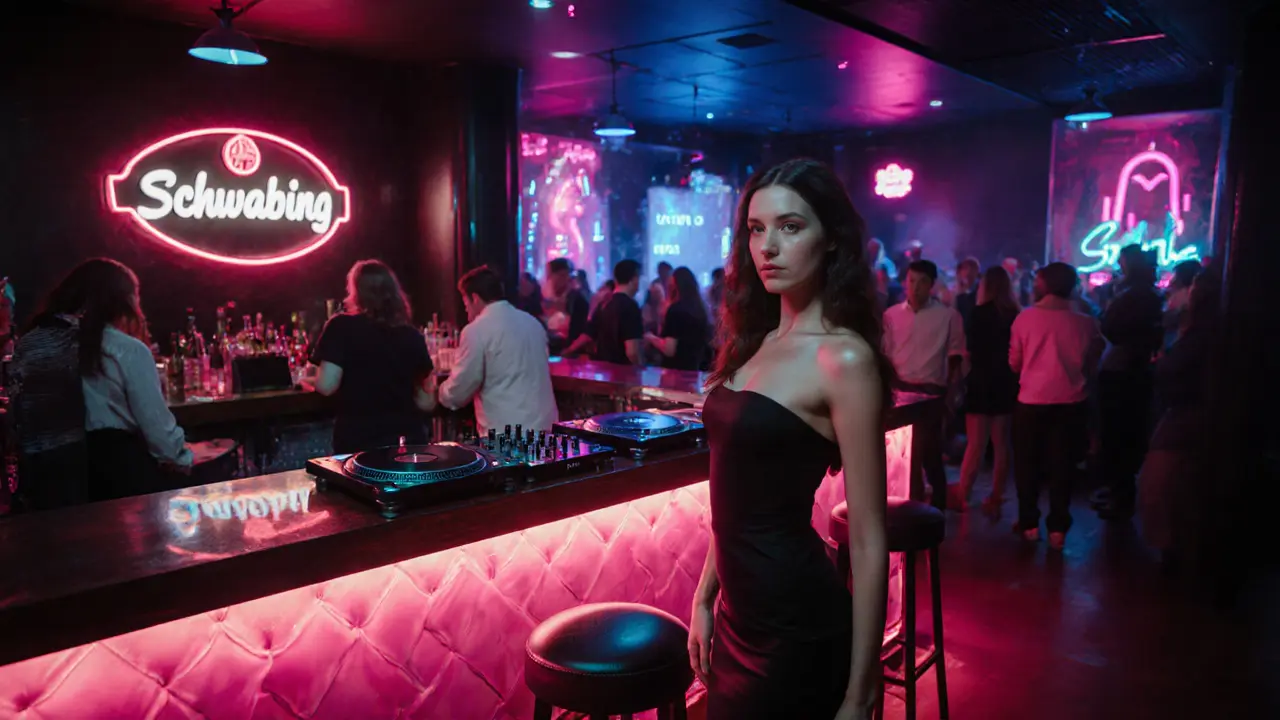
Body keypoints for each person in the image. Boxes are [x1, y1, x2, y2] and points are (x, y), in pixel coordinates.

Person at [689, 159, 890, 719]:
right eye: (756, 229)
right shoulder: (754, 341)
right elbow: (736, 500)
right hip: (738, 619)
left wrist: (862, 686)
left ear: (830, 240)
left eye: (790, 227)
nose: (767, 247)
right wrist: (705, 596)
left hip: (796, 627)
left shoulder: (843, 357)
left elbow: (870, 539)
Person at [12, 259, 192, 509]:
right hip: (116, 481)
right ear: (122, 300)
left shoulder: (29, 343)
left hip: (46, 484)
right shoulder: (125, 349)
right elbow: (161, 437)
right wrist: (186, 457)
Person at [1009, 262, 1102, 550]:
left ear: (1044, 285)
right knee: (1063, 467)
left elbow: (1015, 363)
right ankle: (1058, 529)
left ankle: (1029, 524)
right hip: (1071, 401)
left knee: (1027, 465)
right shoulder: (1086, 323)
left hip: (1031, 400)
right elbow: (1093, 359)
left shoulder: (1025, 319)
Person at [308, 260, 436, 453]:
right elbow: (426, 402)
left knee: (360, 482)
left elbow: (327, 386)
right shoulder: (411, 335)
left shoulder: (341, 326)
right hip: (407, 441)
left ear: (356, 291)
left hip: (360, 442)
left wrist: (308, 380)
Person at [882, 259, 966, 509]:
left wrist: (952, 391)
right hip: (900, 391)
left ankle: (934, 511)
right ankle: (908, 507)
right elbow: (886, 353)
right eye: (911, 281)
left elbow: (955, 356)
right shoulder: (892, 315)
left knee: (928, 455)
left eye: (921, 282)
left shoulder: (948, 316)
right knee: (903, 457)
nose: (915, 287)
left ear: (931, 285)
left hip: (930, 393)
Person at [438, 266, 559, 435]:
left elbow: (459, 392)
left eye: (465, 304)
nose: (466, 310)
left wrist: (440, 391)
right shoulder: (533, 323)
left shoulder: (476, 330)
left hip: (507, 437)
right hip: (547, 429)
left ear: (475, 298)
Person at [1096, 246, 1163, 520]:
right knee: (1127, 433)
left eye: (1121, 261)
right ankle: (1118, 491)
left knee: (1118, 433)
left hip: (1122, 370)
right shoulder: (1147, 294)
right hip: (1134, 369)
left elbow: (1109, 327)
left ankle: (1120, 495)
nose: (1118, 264)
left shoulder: (1133, 295)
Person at [953, 266, 1019, 516]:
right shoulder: (1014, 314)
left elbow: (967, 350)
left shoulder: (977, 314)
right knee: (1001, 443)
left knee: (975, 443)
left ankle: (964, 494)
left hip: (980, 381)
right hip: (1005, 381)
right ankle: (997, 494)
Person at [566, 260, 644, 365]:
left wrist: (567, 352)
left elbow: (588, 334)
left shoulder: (604, 304)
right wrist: (640, 370)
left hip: (604, 370)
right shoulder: (631, 306)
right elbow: (632, 352)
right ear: (634, 279)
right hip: (624, 372)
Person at [645, 266, 710, 371]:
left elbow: (669, 349)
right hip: (694, 370)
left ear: (675, 286)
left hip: (674, 373)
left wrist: (650, 337)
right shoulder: (700, 310)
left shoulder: (676, 310)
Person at [542, 258, 589, 356]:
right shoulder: (552, 299)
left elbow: (576, 332)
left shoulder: (576, 300)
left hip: (568, 356)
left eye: (550, 276)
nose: (548, 280)